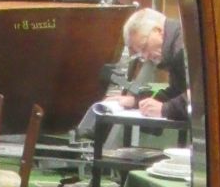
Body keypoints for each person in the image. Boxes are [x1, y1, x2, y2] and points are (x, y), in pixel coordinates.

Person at [77, 8, 183, 136]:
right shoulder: (175, 49)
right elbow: (177, 92)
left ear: (158, 31)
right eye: (141, 54)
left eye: (144, 47)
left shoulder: (182, 48)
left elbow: (202, 97)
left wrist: (165, 109)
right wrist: (135, 101)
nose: (146, 56)